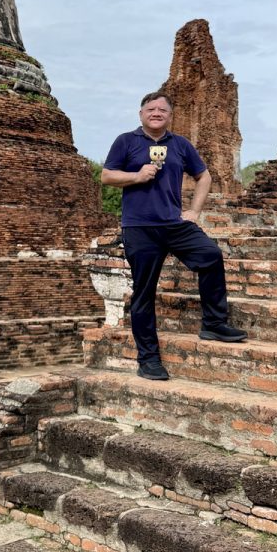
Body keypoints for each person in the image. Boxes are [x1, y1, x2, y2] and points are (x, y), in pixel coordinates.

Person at [101, 91, 247, 381]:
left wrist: (194, 211)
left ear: (170, 116)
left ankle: (214, 324)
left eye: (163, 110)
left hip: (173, 223)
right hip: (139, 227)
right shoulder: (126, 141)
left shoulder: (180, 144)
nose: (157, 113)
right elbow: (107, 176)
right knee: (144, 291)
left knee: (210, 256)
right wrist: (135, 176)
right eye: (151, 109)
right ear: (141, 113)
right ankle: (149, 359)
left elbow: (203, 176)